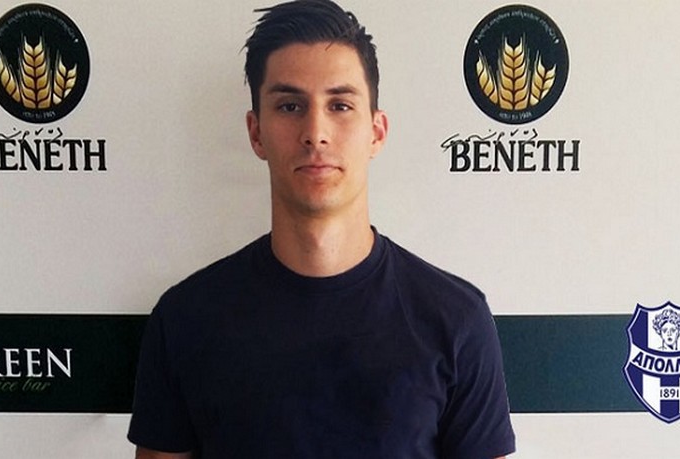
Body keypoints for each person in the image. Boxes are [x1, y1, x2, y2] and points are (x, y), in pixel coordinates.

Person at [127, 1, 516, 457]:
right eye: (290, 106)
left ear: (376, 132)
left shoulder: (456, 320)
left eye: (340, 105)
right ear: (256, 132)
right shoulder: (185, 320)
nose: (315, 132)